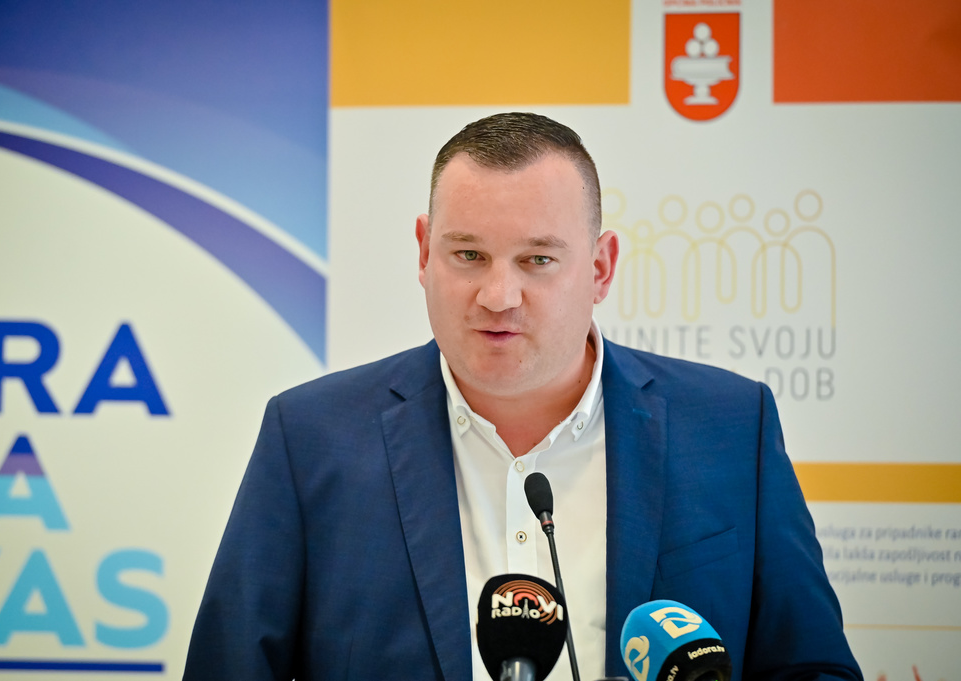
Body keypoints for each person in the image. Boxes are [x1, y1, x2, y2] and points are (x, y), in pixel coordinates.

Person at [183, 113, 861, 681]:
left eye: (538, 260)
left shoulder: (731, 427)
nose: (498, 296)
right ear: (423, 253)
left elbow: (813, 668)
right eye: (468, 255)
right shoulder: (310, 437)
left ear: (600, 268)